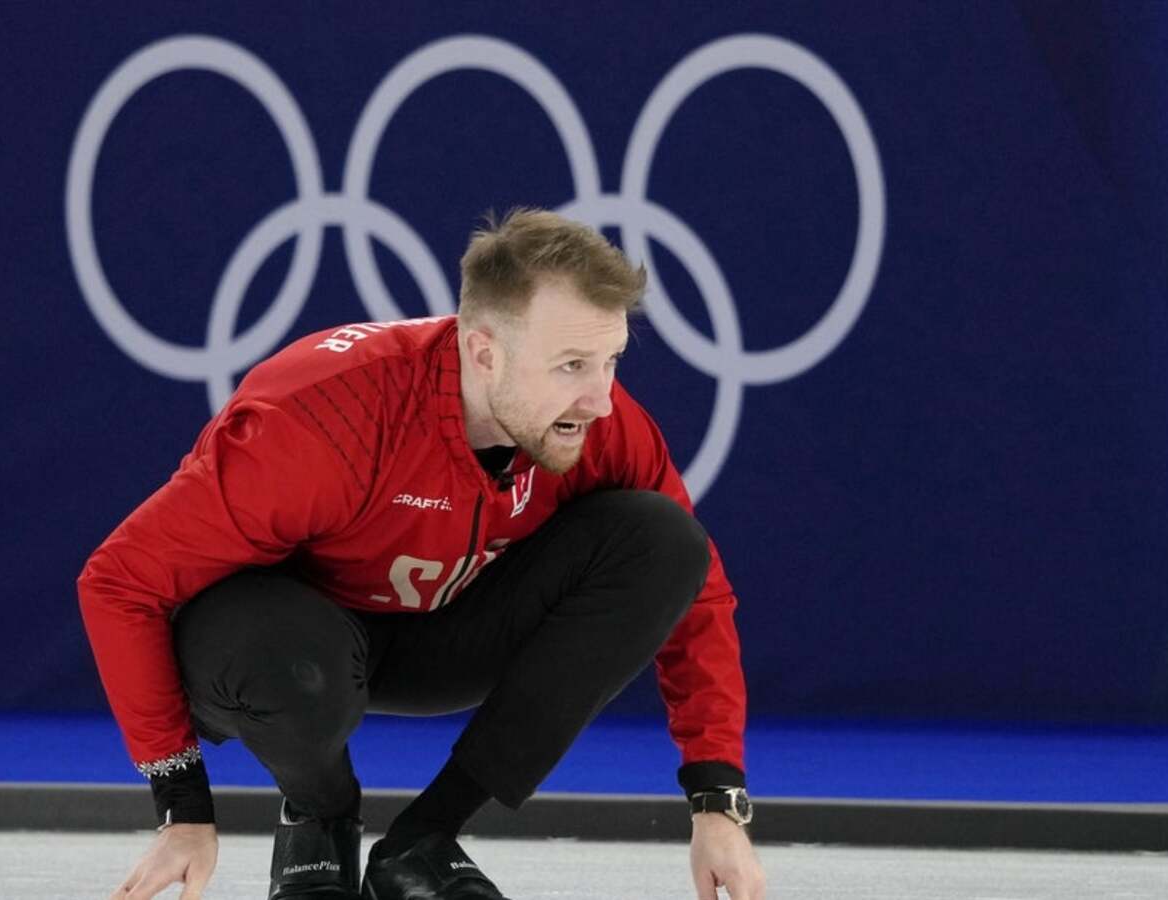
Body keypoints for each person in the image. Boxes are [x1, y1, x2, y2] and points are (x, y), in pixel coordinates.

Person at [78, 208, 767, 900]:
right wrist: (183, 806)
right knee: (292, 666)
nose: (602, 401)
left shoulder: (590, 425)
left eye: (611, 360)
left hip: (438, 635)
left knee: (667, 540)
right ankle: (319, 814)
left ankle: (424, 841)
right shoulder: (323, 421)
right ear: (484, 351)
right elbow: (118, 582)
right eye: (571, 366)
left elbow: (696, 593)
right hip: (280, 644)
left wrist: (717, 798)